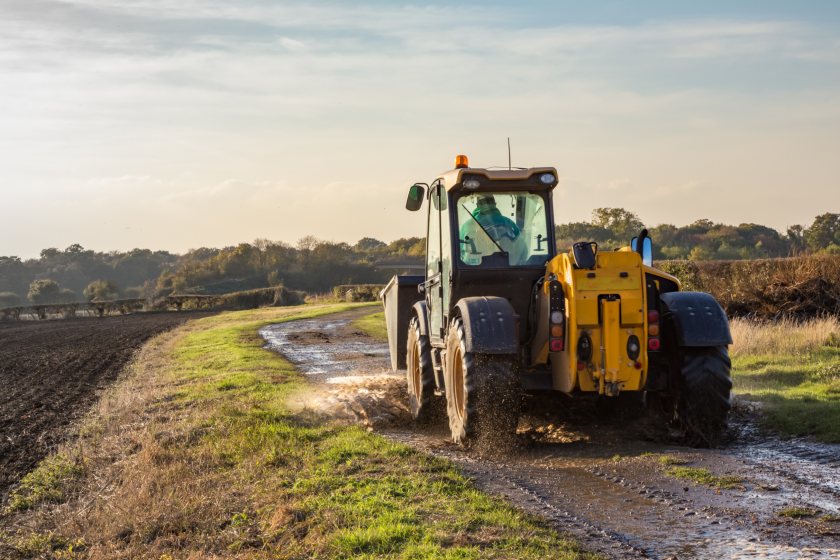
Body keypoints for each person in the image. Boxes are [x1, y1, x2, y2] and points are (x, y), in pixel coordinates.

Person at [459, 194, 527, 264]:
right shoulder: (509, 224)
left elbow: (459, 252)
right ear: (494, 204)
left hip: (473, 272)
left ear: (478, 205)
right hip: (509, 271)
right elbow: (523, 251)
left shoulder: (467, 226)